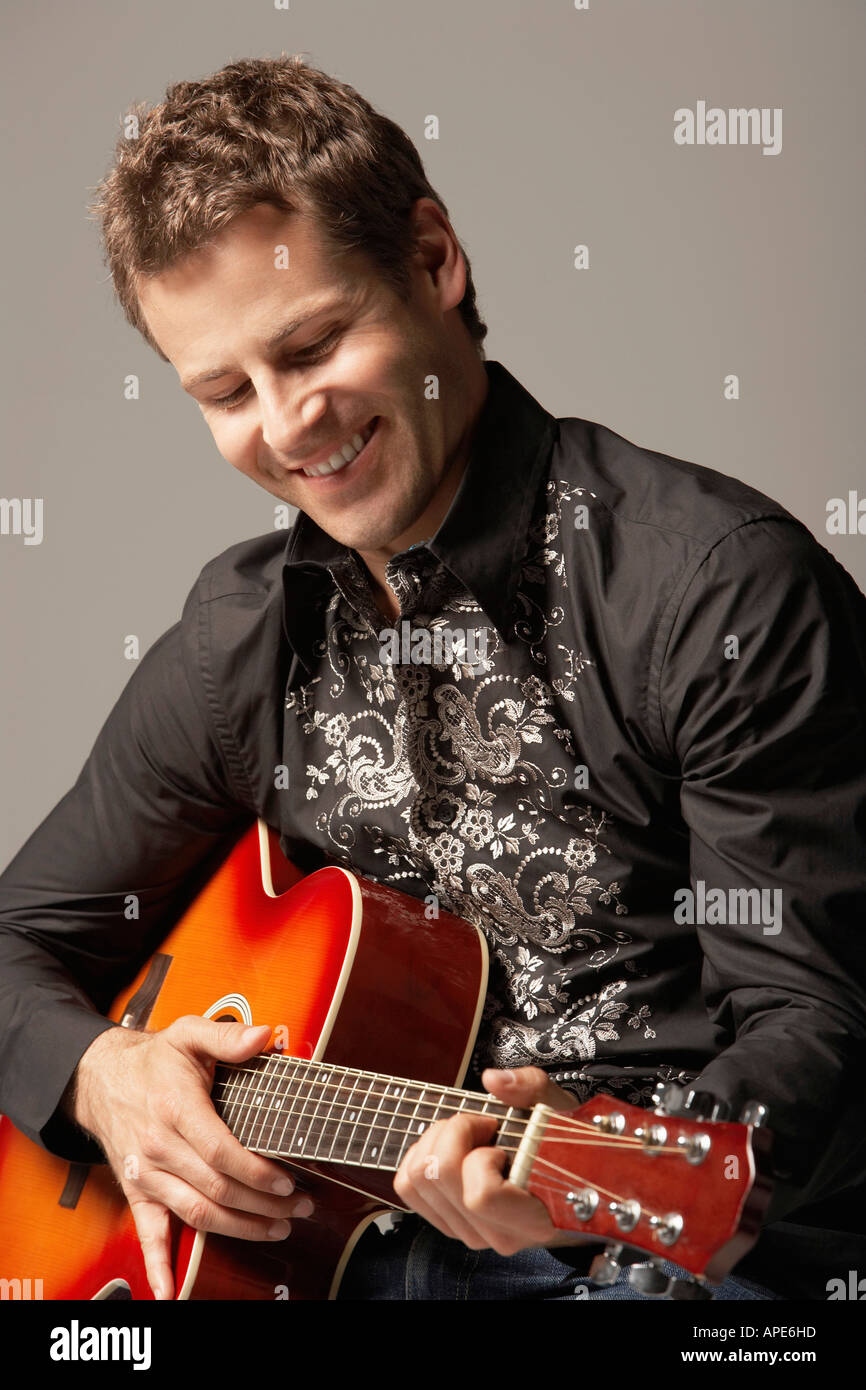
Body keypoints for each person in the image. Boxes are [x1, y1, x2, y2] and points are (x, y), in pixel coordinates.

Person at [1, 54, 864, 1303]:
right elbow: (18, 936)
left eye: (312, 344)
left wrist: (586, 1167)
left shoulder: (713, 591)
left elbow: (814, 1024)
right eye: (226, 391)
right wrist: (103, 1075)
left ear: (434, 260)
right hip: (341, 1259)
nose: (288, 423)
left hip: (683, 1265)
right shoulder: (239, 637)